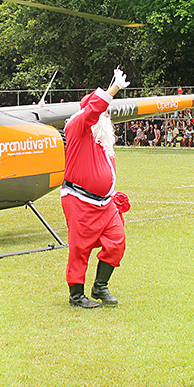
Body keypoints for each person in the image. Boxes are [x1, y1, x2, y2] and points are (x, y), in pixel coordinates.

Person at [61, 69, 131, 309]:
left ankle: (100, 287)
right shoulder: (78, 127)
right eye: (101, 111)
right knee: (80, 249)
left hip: (104, 203)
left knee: (117, 240)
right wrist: (114, 89)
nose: (104, 117)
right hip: (79, 199)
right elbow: (92, 112)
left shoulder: (102, 140)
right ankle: (76, 295)